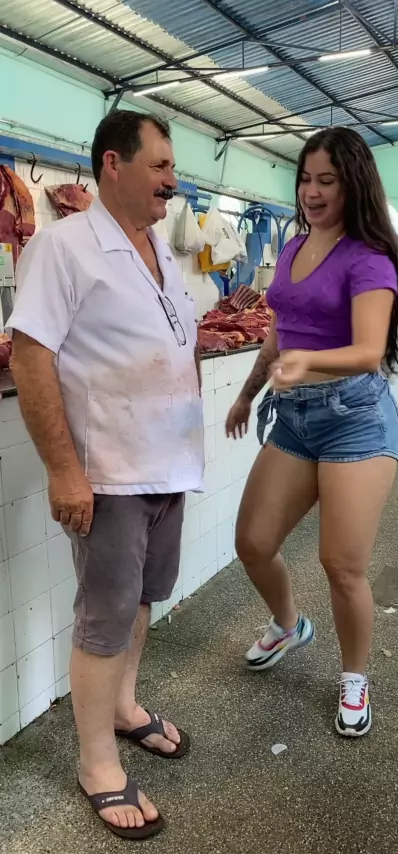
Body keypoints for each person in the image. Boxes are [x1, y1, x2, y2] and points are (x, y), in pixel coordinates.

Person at [9, 111, 204, 840]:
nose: (172, 180)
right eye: (160, 166)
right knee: (104, 619)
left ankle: (123, 707)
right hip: (110, 475)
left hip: (167, 469)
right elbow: (31, 356)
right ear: (113, 165)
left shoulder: (160, 249)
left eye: (172, 166)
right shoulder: (64, 247)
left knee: (143, 601)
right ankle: (96, 763)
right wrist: (64, 470)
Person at [226, 127, 398, 738]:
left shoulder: (368, 259)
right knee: (253, 542)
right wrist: (247, 393)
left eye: (326, 181)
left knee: (342, 565)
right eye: (306, 179)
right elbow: (279, 330)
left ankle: (355, 678)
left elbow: (368, 351)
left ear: (352, 185)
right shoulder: (293, 247)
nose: (311, 192)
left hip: (355, 420)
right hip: (294, 417)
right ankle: (290, 626)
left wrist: (308, 361)